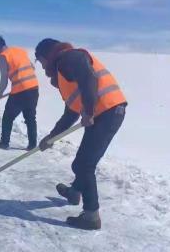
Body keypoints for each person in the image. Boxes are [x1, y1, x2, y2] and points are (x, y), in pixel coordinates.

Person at [34, 39, 127, 230]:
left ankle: (91, 216)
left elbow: (89, 79)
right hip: (102, 113)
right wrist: (51, 136)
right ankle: (75, 192)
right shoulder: (64, 70)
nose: (42, 67)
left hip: (108, 112)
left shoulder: (69, 58)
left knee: (84, 164)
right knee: (83, 161)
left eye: (40, 61)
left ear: (46, 56)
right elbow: (71, 112)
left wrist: (89, 111)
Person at [0, 36, 39, 150]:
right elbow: (32, 67)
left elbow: (4, 79)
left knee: (8, 117)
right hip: (34, 88)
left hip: (19, 91)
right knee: (30, 118)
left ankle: (4, 142)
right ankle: (32, 145)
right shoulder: (19, 50)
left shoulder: (3, 56)